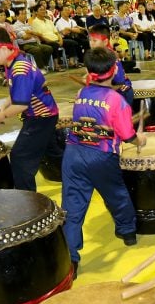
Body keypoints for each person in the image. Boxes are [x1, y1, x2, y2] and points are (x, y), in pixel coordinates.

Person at [60, 47, 142, 275]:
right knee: (117, 194)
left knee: (73, 207)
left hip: (73, 154)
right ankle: (127, 233)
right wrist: (140, 140)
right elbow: (127, 135)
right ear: (114, 69)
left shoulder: (80, 94)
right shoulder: (117, 101)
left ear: (88, 71)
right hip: (101, 157)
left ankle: (72, 260)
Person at [0, 27, 60, 191]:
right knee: (54, 154)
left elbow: (21, 105)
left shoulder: (19, 68)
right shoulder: (13, 62)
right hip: (45, 114)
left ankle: (27, 202)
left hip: (41, 117)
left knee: (20, 158)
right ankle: (82, 174)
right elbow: (18, 93)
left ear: (3, 49)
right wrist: (4, 104)